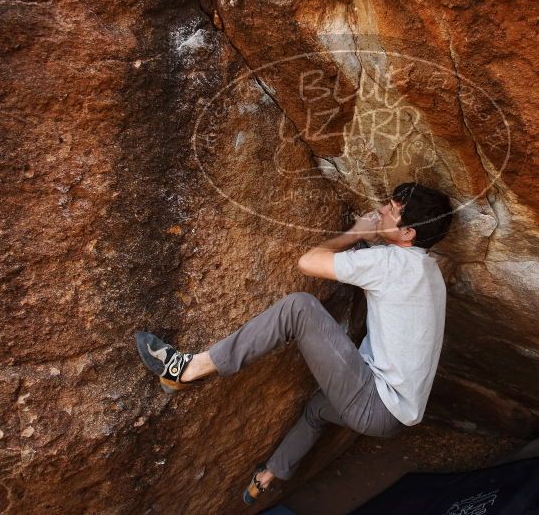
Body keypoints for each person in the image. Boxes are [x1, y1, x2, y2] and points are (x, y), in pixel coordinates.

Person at [135, 182, 453, 505]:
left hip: (376, 402)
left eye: (392, 209)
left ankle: (186, 369)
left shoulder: (390, 264)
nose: (382, 210)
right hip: (397, 419)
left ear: (408, 233)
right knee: (317, 410)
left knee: (298, 308)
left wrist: (356, 233)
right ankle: (268, 476)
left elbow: (309, 262)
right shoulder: (431, 273)